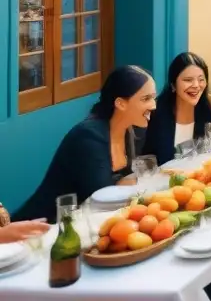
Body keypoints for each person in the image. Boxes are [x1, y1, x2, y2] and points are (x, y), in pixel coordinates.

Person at [16, 66, 157, 222]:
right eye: (146, 99)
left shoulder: (135, 130)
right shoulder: (88, 137)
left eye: (153, 97)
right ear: (120, 104)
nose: (153, 105)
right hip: (45, 229)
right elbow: (102, 198)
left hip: (88, 224)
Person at [142, 52, 211, 164]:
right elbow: (145, 159)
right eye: (188, 80)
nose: (196, 85)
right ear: (173, 85)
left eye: (201, 79)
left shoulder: (208, 110)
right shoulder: (155, 113)